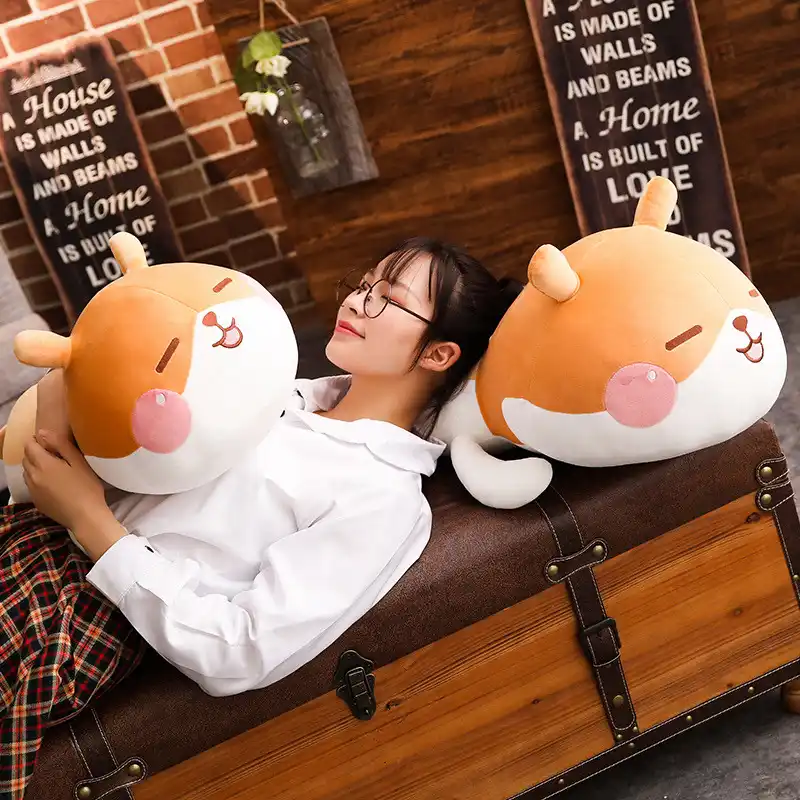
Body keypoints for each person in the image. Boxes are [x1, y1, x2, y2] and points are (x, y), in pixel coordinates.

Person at [20, 237, 520, 698]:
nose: (354, 302)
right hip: (31, 535)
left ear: (438, 353)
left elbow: (240, 654)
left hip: (69, 613)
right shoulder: (279, 390)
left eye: (387, 299)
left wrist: (89, 520)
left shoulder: (381, 493)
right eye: (364, 285)